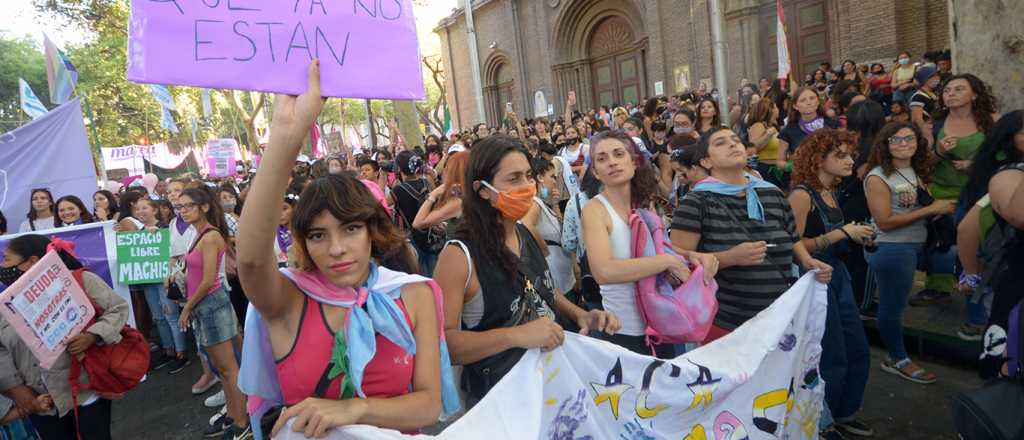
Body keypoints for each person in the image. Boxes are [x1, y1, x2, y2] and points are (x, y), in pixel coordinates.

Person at [236, 64, 458, 438]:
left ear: (372, 230)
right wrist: (285, 139)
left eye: (351, 229)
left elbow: (428, 405)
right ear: (303, 242)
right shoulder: (286, 301)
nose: (336, 249)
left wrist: (352, 410)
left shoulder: (414, 293)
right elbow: (252, 259)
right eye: (318, 235)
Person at [434, 134, 620, 404]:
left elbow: (540, 289)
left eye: (528, 176)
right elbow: (446, 345)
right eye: (513, 179)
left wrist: (580, 315)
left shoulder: (525, 233)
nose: (527, 187)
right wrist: (516, 336)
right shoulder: (458, 256)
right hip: (501, 401)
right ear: (482, 189)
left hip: (551, 384)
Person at [671, 127, 833, 342]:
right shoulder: (696, 201)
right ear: (706, 162)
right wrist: (731, 258)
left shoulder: (772, 192)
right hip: (727, 324)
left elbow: (792, 237)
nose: (732, 144)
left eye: (735, 139)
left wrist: (807, 260)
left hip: (780, 318)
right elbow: (678, 262)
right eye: (720, 143)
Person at [582, 131, 717, 356]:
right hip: (624, 332)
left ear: (633, 162)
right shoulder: (594, 210)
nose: (612, 162)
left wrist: (690, 256)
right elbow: (604, 271)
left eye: (618, 154)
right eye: (602, 158)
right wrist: (666, 261)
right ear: (595, 172)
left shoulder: (645, 207)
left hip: (662, 324)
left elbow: (660, 249)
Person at [788, 129, 875, 439]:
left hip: (838, 276)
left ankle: (845, 412)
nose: (849, 159)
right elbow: (792, 246)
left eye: (850, 154)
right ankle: (823, 421)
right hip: (814, 280)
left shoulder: (831, 192)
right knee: (830, 354)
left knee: (857, 348)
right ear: (818, 159)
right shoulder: (801, 195)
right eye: (840, 155)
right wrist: (840, 234)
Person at [0, 235, 129, 440]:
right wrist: (16, 389)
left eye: (6, 259)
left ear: (32, 261)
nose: (2, 266)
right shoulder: (5, 304)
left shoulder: (79, 280)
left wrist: (92, 336)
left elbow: (118, 309)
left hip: (86, 389)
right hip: (41, 401)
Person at [863, 122, 956, 384]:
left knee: (964, 263)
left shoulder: (916, 171)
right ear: (886, 144)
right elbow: (885, 222)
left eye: (909, 139)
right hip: (893, 248)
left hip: (921, 244)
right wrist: (931, 209)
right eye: (896, 139)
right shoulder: (878, 176)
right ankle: (896, 358)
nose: (903, 144)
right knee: (894, 307)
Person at [176, 185, 248, 438]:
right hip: (206, 305)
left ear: (204, 207)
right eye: (180, 207)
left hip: (211, 304)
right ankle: (233, 414)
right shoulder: (197, 234)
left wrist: (187, 307)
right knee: (224, 366)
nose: (183, 211)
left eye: (188, 206)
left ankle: (241, 422)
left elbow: (208, 280)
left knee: (228, 368)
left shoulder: (210, 236)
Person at [522, 157, 575, 299]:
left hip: (562, 274)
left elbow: (562, 229)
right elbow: (527, 224)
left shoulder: (542, 202)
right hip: (554, 274)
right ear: (539, 177)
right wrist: (543, 249)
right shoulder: (535, 202)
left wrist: (555, 203)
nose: (554, 181)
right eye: (552, 176)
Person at [392, 150, 441, 276]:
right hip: (430, 233)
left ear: (398, 168)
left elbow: (382, 202)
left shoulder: (398, 190)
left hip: (412, 236)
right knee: (433, 270)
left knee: (419, 272)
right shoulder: (426, 182)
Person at [778, 86, 841, 169]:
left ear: (818, 101)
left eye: (812, 98)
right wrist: (794, 167)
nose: (809, 102)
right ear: (795, 106)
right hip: (804, 178)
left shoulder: (833, 124)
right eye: (803, 100)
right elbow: (780, 161)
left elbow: (843, 151)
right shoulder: (787, 131)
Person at [413, 152, 467, 240]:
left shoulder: (457, 202)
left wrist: (433, 194)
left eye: (448, 168)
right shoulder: (466, 193)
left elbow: (417, 223)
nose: (444, 171)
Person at [746, 99, 783, 186]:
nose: (778, 109)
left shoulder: (773, 126)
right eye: (776, 107)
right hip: (765, 170)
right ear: (770, 110)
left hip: (777, 169)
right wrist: (768, 134)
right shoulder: (758, 125)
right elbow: (753, 148)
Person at [908, 65, 941, 133]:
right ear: (924, 79)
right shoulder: (918, 97)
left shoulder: (934, 93)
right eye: (932, 76)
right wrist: (926, 134)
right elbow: (918, 120)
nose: (937, 78)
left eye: (937, 75)